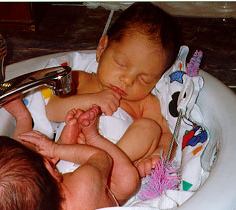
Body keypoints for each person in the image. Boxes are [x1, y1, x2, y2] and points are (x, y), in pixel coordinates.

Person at [0, 99, 139, 210]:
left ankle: (23, 118)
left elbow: (23, 173)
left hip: (64, 195)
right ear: (49, 166)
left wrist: (58, 150)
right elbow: (100, 157)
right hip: (110, 196)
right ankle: (92, 136)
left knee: (17, 168)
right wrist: (57, 148)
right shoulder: (85, 181)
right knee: (129, 179)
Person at [45, 2, 180, 178]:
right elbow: (51, 110)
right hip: (67, 164)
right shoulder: (81, 80)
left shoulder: (145, 103)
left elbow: (168, 135)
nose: (128, 80)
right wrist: (93, 99)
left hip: (113, 174)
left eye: (144, 79)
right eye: (121, 64)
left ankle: (108, 164)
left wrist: (157, 154)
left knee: (150, 127)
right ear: (102, 48)